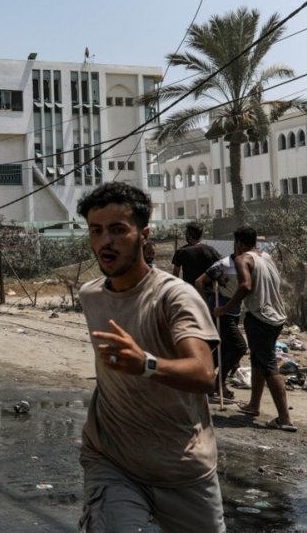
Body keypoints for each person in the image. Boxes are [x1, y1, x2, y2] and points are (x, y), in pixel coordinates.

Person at [76, 182, 224, 532]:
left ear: (143, 234)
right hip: (111, 460)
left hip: (183, 466)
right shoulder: (90, 295)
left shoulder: (175, 297)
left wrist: (146, 364)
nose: (105, 241)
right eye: (96, 231)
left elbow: (204, 373)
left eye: (117, 230)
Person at [215, 226, 296, 432]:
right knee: (257, 361)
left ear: (239, 243)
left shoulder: (243, 259)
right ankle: (254, 405)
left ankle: (284, 418)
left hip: (260, 317)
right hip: (277, 316)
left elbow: (245, 286)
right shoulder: (267, 257)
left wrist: (225, 308)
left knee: (268, 366)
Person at [195, 254, 248, 402]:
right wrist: (206, 306)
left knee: (224, 348)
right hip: (220, 311)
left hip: (234, 310)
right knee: (239, 347)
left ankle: (205, 380)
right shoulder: (223, 265)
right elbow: (199, 281)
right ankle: (218, 384)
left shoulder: (248, 263)